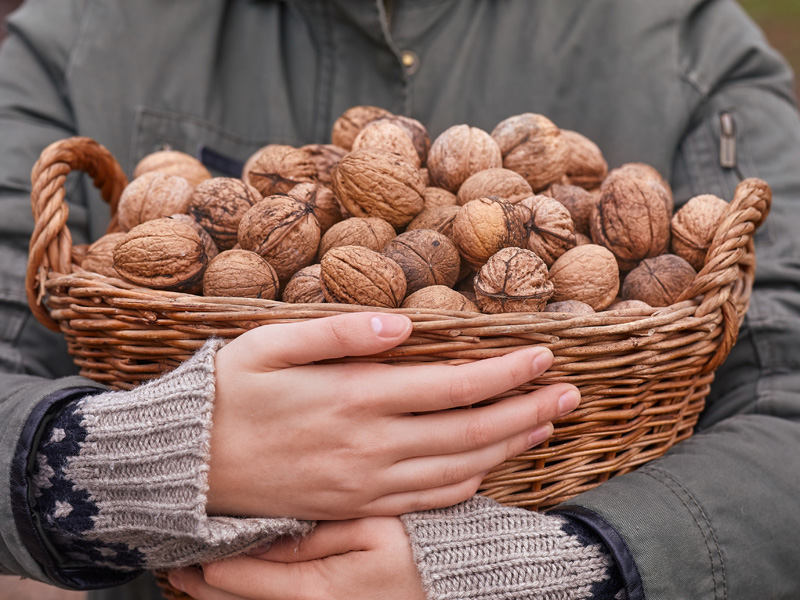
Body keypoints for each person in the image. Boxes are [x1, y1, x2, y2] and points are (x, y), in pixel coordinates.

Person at [1, 1, 799, 599]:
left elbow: (786, 396)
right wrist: (137, 458)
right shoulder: (84, 27)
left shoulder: (687, 37)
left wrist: (576, 560)